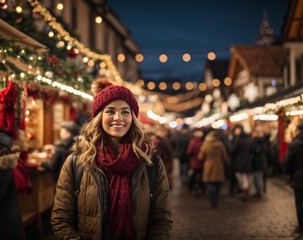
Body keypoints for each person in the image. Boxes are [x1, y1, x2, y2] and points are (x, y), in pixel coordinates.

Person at [51, 77, 173, 239]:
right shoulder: (76, 162)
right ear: (99, 116)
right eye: (110, 111)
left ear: (133, 118)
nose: (118, 118)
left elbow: (162, 220)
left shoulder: (151, 163)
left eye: (125, 111)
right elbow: (61, 219)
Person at [197, 130, 228, 208]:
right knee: (217, 183)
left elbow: (200, 157)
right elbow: (224, 156)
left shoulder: (206, 144)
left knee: (210, 183)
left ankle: (212, 201)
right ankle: (216, 199)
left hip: (209, 165)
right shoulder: (220, 144)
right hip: (218, 166)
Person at [186, 127, 205, 196]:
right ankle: (200, 188)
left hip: (194, 161)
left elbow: (189, 152)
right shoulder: (203, 142)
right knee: (200, 175)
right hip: (201, 161)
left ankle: (192, 187)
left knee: (193, 175)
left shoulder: (193, 142)